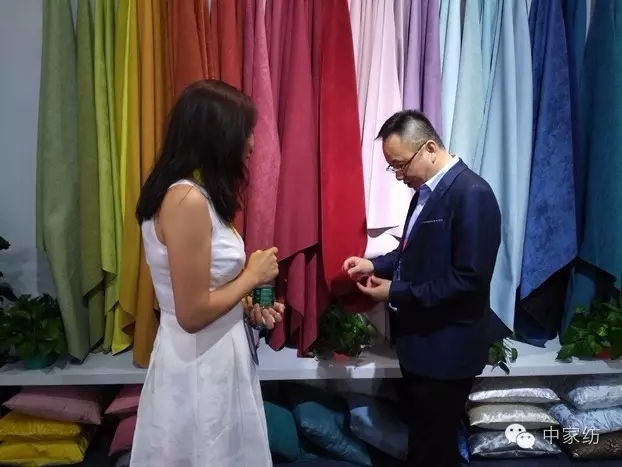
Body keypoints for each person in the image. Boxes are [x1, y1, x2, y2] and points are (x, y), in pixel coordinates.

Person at [131, 79, 284, 467]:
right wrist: (251, 276)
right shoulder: (186, 200)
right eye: (246, 131)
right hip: (199, 365)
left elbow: (207, 290)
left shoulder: (195, 195)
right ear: (219, 136)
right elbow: (192, 313)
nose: (252, 143)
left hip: (215, 356)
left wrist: (247, 306)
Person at [343, 110, 502, 467]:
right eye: (393, 168)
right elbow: (411, 252)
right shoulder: (425, 193)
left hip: (446, 350)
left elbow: (469, 281)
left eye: (400, 165)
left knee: (435, 449)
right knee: (425, 443)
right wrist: (374, 265)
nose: (399, 175)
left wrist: (394, 292)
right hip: (421, 347)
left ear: (429, 148)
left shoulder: (472, 193)